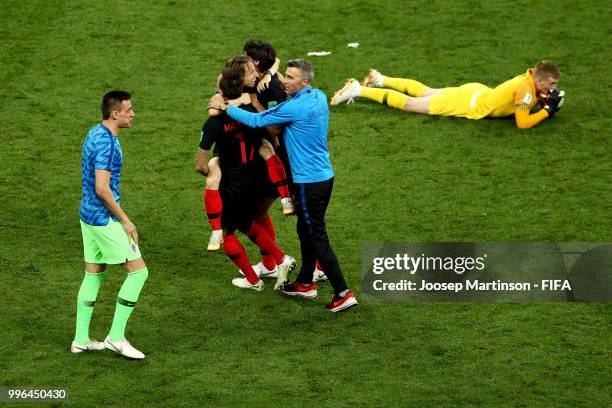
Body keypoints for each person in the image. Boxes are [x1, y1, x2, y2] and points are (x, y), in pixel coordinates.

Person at [209, 59, 357, 312]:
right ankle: (305, 282)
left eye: (290, 78)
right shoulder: (318, 97)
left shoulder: (296, 107)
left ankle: (342, 292)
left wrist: (226, 107)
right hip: (324, 176)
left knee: (317, 237)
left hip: (309, 183)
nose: (283, 81)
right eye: (285, 75)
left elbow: (258, 122)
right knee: (304, 229)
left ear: (304, 82)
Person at [203, 68, 296, 291]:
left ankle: (256, 278)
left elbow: (202, 158)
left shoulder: (220, 118)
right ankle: (277, 260)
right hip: (257, 176)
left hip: (234, 181)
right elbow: (268, 140)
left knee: (229, 231)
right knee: (249, 222)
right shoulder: (248, 107)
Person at [72, 91, 148, 359]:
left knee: (94, 273)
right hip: (104, 218)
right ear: (115, 114)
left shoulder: (94, 132)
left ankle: (81, 339)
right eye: (129, 110)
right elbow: (102, 188)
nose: (133, 113)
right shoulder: (107, 143)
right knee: (139, 273)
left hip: (87, 215)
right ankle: (116, 337)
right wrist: (125, 220)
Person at [331, 61, 565, 129]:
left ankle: (380, 78)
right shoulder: (526, 89)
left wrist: (544, 100)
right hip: (468, 104)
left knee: (427, 91)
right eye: (551, 84)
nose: (552, 88)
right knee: (413, 103)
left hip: (476, 91)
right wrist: (547, 111)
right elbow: (522, 122)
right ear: (539, 79)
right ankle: (358, 89)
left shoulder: (530, 81)